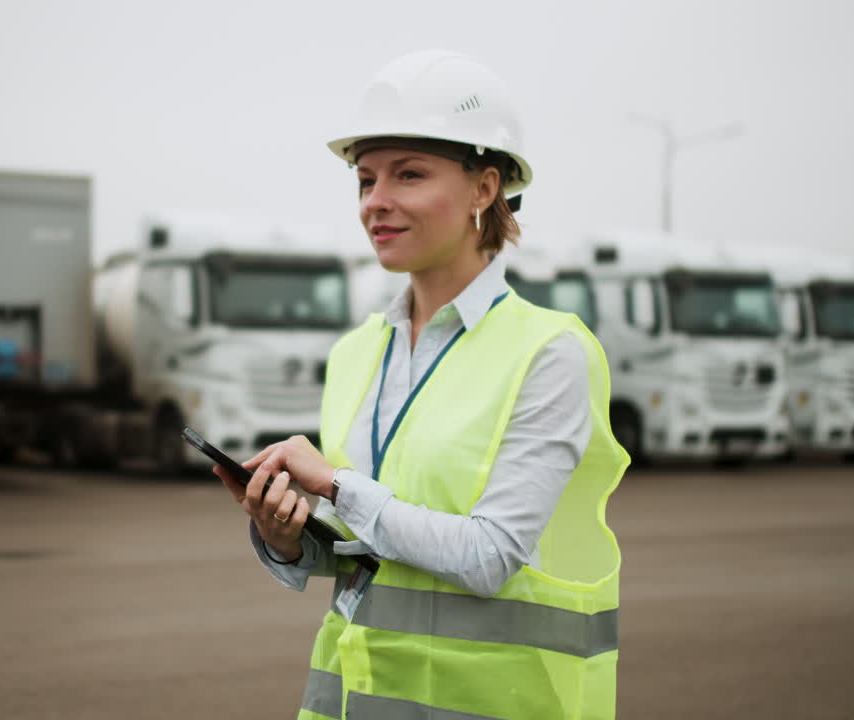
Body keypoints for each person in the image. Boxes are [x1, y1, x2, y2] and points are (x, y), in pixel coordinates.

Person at [213, 50, 629, 720]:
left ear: (484, 188)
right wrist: (285, 534)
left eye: (408, 174)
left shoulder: (549, 353)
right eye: (365, 179)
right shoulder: (355, 353)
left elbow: (489, 556)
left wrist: (336, 485)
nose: (376, 202)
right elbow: (362, 551)